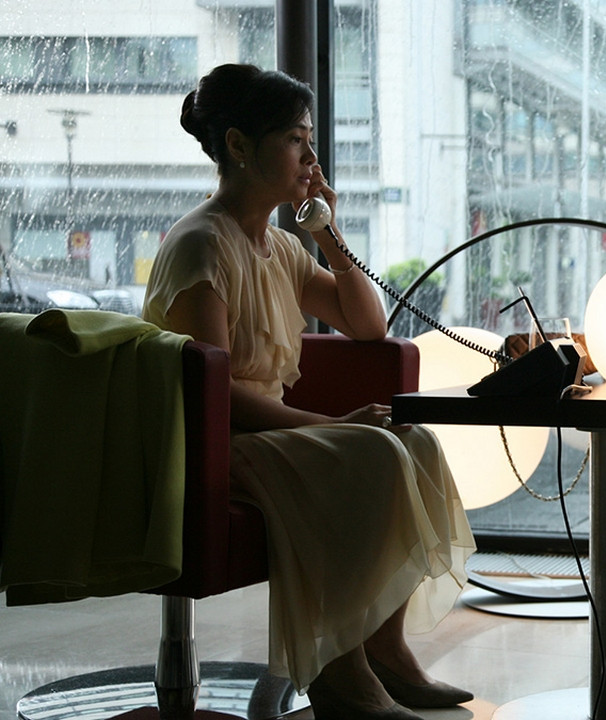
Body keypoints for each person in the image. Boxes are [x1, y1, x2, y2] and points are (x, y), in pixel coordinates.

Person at [143, 64, 476, 720]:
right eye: (296, 139)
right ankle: (337, 669)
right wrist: (329, 424)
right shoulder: (201, 247)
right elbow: (215, 396)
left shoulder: (279, 247)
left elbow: (367, 324)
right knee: (373, 452)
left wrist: (325, 231)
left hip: (268, 431)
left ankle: (385, 647)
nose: (311, 156)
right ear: (239, 146)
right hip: (217, 444)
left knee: (415, 440)